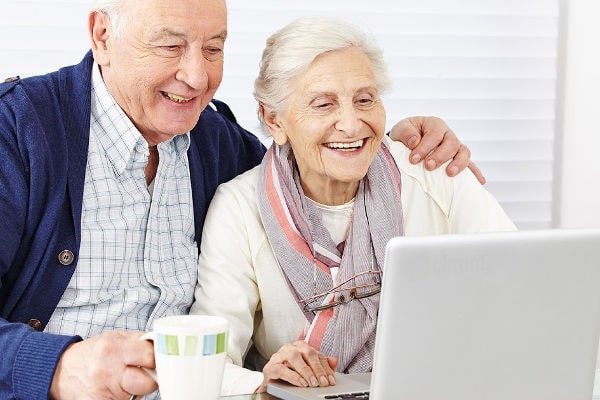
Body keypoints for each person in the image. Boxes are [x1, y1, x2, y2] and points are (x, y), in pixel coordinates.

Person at [0, 1, 478, 399]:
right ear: (101, 35)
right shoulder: (18, 131)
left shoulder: (217, 143)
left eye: (214, 48)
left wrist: (390, 147)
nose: (196, 75)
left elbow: (303, 162)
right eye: (170, 45)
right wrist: (57, 366)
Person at [190, 16, 517, 395]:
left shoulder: (435, 174)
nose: (351, 123)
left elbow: (525, 290)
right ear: (274, 119)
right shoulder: (238, 208)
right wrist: (263, 379)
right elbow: (207, 364)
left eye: (365, 99)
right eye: (323, 104)